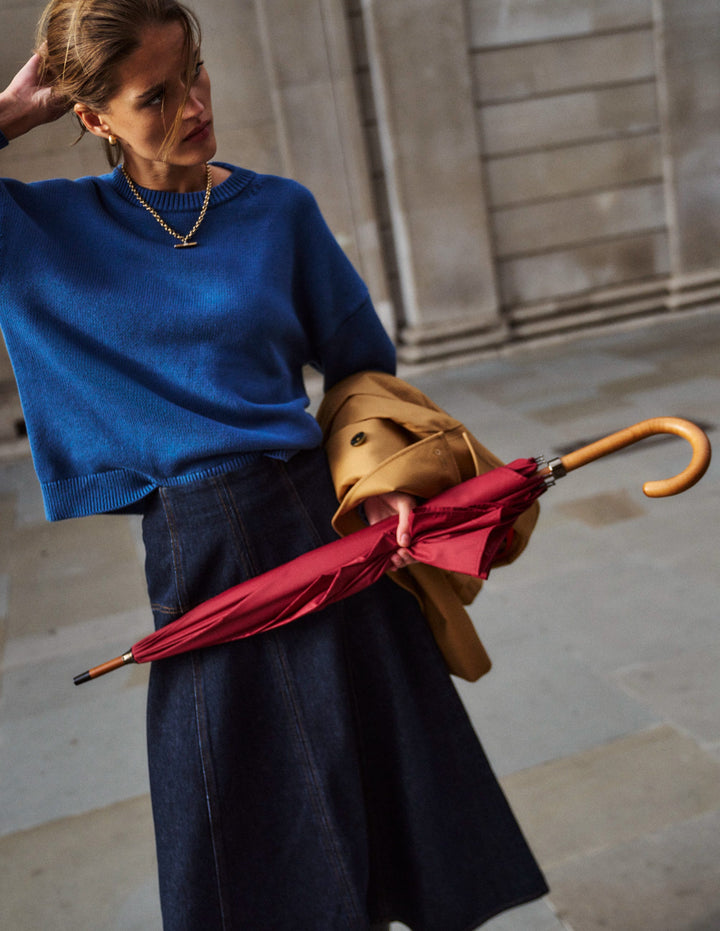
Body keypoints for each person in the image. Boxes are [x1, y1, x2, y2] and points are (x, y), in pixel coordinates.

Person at [0, 1, 548, 927]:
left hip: (317, 517)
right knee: (245, 830)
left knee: (388, 792)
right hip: (197, 549)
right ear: (92, 117)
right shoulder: (42, 229)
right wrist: (12, 114)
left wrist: (377, 485)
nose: (193, 105)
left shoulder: (277, 210)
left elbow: (361, 366)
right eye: (155, 96)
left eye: (195, 73)